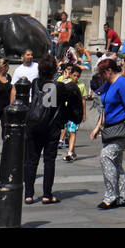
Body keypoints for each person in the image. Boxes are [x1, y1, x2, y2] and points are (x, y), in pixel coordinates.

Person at [24, 55, 82, 205]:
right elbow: (68, 99)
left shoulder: (35, 83)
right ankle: (46, 195)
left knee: (31, 160)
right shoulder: (60, 87)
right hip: (51, 128)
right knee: (49, 161)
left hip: (34, 126)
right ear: (54, 70)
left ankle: (28, 194)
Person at [91, 57, 125, 208]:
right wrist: (98, 127)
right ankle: (123, 197)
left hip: (121, 128)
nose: (100, 76)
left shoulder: (122, 83)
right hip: (110, 128)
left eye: (102, 73)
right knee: (116, 163)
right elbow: (105, 109)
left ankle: (111, 196)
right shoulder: (108, 85)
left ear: (109, 71)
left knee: (105, 157)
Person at [62, 66, 87, 161]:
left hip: (76, 112)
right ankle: (73, 152)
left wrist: (84, 114)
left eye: (78, 76)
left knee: (72, 132)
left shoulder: (81, 86)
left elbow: (83, 100)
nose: (76, 78)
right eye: (74, 75)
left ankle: (69, 153)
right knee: (68, 132)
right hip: (67, 111)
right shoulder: (66, 83)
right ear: (70, 74)